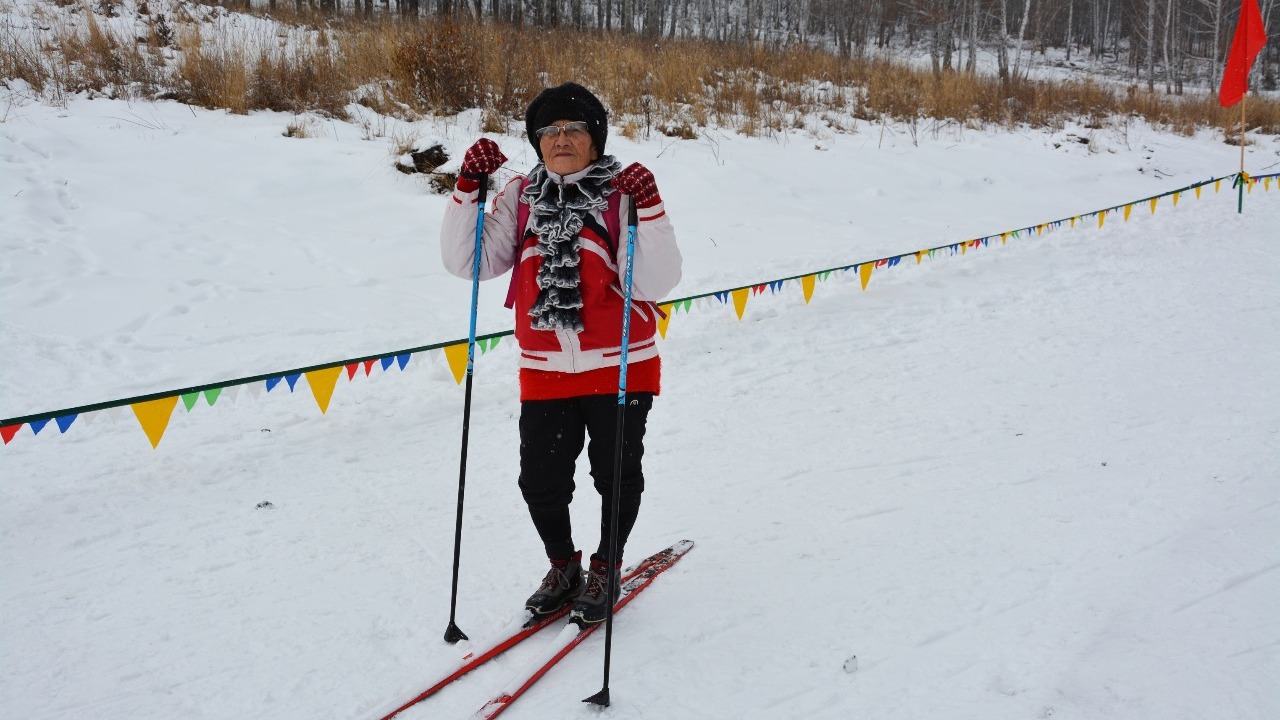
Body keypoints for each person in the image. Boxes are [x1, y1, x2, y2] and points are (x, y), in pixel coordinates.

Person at [439, 82, 682, 625]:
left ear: (595, 139)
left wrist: (650, 207)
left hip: (621, 365)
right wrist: (468, 189)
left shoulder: (621, 194)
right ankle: (563, 565)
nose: (561, 139)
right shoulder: (521, 196)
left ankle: (607, 566)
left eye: (574, 129)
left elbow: (655, 282)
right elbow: (468, 262)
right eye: (548, 131)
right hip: (545, 369)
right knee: (540, 482)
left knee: (615, 476)